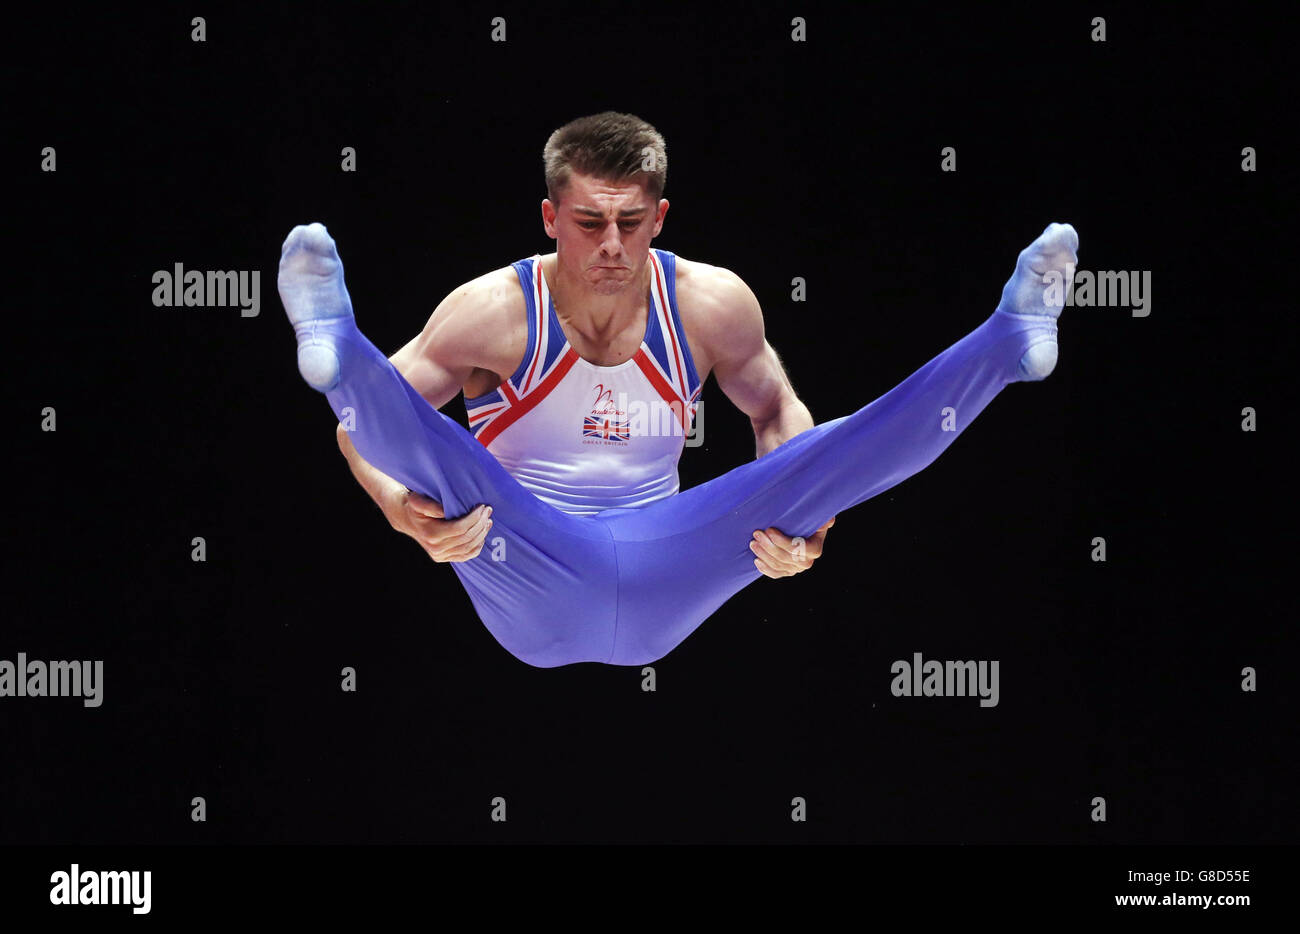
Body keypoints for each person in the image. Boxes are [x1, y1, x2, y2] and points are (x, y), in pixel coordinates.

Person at [277, 111, 1076, 668]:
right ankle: (340, 349)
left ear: (660, 216)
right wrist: (397, 510)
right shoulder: (490, 314)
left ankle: (1007, 341)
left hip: (671, 560)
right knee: (442, 461)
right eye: (590, 222)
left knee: (830, 451)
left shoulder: (709, 303)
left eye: (632, 222)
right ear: (549, 217)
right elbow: (362, 435)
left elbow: (774, 412)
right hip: (524, 562)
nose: (613, 245)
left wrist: (809, 524)